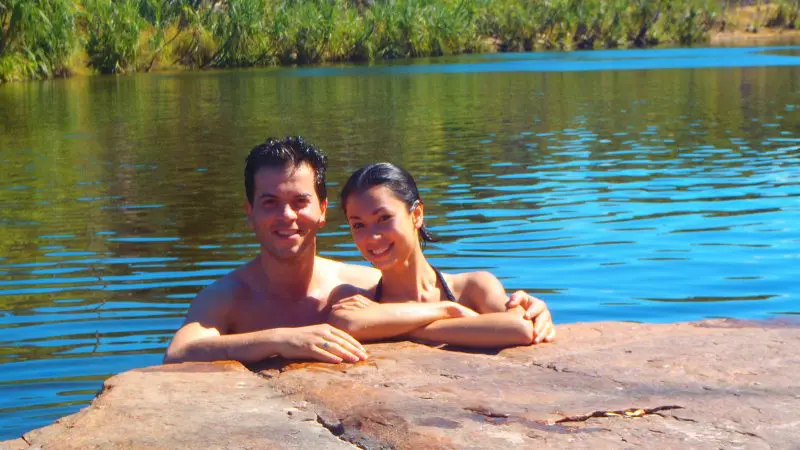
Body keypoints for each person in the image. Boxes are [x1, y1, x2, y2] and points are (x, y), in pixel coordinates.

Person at [164, 137, 554, 365]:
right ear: (249, 212)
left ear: (322, 210)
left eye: (299, 201)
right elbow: (179, 352)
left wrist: (530, 305)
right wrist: (281, 339)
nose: (286, 216)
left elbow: (434, 286)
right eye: (269, 202)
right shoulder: (228, 296)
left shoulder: (359, 283)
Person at [328, 163, 556, 348]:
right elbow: (347, 323)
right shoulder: (354, 298)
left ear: (416, 214)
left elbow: (520, 328)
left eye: (384, 218)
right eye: (358, 226)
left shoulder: (473, 287)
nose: (372, 237)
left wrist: (401, 327)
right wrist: (448, 310)